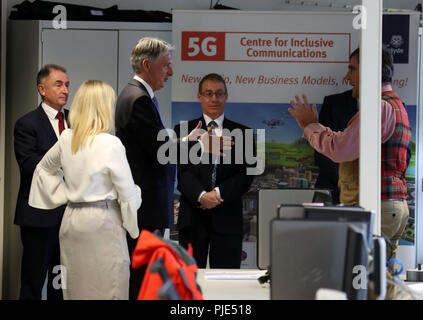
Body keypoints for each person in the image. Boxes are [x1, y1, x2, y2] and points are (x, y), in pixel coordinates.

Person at [115, 37, 232, 299]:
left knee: (145, 276)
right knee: (143, 278)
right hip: (146, 205)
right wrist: (202, 147)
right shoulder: (138, 99)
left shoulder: (139, 95)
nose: (172, 72)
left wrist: (186, 141)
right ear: (147, 64)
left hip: (147, 204)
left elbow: (155, 143)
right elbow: (160, 153)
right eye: (166, 65)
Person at [288, 48, 411, 260]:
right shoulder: (395, 105)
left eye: (352, 69)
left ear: (370, 70)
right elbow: (347, 142)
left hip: (378, 207)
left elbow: (340, 150)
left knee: (363, 282)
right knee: (380, 283)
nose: (347, 77)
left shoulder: (378, 108)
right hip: (391, 206)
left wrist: (310, 126)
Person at [29, 80, 141, 300]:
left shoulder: (66, 138)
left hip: (72, 220)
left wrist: (65, 195)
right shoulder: (111, 143)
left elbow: (42, 169)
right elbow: (128, 194)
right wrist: (136, 196)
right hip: (104, 222)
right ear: (104, 107)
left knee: (75, 290)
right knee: (111, 288)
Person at [174, 73, 255, 268]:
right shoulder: (182, 131)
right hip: (192, 219)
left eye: (219, 93)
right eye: (208, 93)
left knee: (227, 285)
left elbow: (246, 175)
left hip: (227, 219)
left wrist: (217, 194)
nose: (214, 99)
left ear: (226, 96)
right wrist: (202, 196)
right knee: (189, 284)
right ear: (199, 96)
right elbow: (181, 173)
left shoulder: (245, 133)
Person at [14, 64, 70, 300]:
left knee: (61, 283)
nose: (65, 90)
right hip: (39, 216)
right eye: (59, 84)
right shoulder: (27, 124)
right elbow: (31, 167)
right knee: (34, 282)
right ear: (42, 89)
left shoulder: (74, 121)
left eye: (67, 84)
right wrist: (68, 162)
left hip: (69, 216)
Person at [314, 89, 358, 204]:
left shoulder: (391, 107)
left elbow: (402, 157)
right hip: (331, 188)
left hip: (372, 194)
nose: (347, 76)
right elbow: (321, 151)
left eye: (352, 70)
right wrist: (346, 182)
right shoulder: (333, 102)